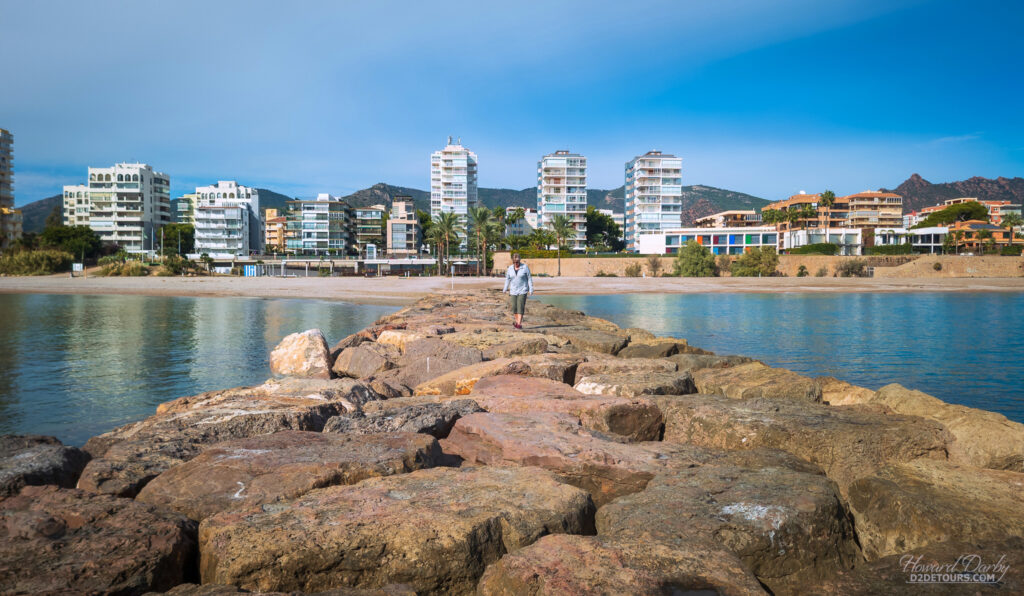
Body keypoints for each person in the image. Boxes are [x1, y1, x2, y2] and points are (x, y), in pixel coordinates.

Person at [502, 252, 533, 329]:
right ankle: (517, 322)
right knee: (514, 307)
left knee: (520, 307)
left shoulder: (525, 267)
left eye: (517, 262)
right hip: (513, 290)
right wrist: (505, 288)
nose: (516, 263)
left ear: (520, 261)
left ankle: (519, 324)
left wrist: (531, 288)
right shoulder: (510, 268)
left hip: (523, 290)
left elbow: (529, 278)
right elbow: (507, 279)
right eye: (514, 262)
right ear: (513, 261)